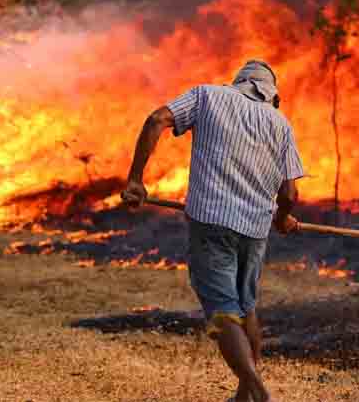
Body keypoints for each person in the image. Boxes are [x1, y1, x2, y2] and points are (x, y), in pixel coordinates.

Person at [121, 59, 304, 402]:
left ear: (237, 83)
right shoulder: (280, 123)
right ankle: (243, 396)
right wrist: (282, 218)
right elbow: (290, 194)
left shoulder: (208, 96)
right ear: (271, 94)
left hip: (212, 224)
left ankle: (258, 391)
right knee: (245, 307)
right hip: (254, 230)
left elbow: (157, 119)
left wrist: (135, 179)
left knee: (222, 311)